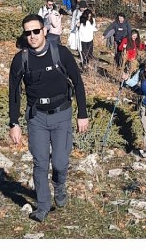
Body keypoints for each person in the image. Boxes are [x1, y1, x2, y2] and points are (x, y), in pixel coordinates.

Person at [8, 14, 89, 222]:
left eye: (36, 31)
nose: (32, 36)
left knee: (61, 162)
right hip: (37, 118)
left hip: (62, 114)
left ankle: (60, 184)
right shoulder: (20, 60)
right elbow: (14, 93)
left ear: (44, 30)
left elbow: (78, 83)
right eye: (28, 33)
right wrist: (14, 123)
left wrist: (82, 114)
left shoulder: (60, 53)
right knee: (40, 163)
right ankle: (43, 206)